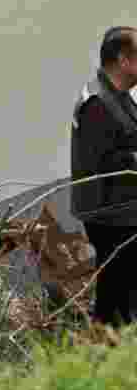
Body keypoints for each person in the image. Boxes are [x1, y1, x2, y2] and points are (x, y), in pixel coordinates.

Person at [71, 26, 137, 325]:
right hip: (110, 214)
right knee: (115, 290)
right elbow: (105, 163)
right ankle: (107, 338)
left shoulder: (116, 95)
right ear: (124, 61)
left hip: (123, 207)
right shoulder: (97, 103)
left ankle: (114, 335)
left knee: (120, 288)